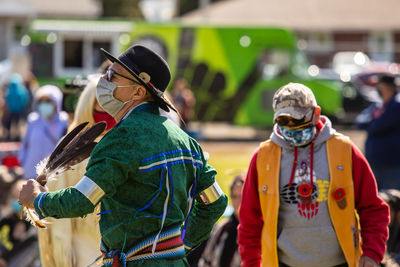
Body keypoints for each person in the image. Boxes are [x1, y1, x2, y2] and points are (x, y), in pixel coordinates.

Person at [18, 44, 227, 266]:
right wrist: (180, 246)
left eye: (113, 75)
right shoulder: (186, 141)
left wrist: (38, 200)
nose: (104, 81)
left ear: (138, 91)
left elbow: (81, 200)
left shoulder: (121, 139)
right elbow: (215, 202)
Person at [238, 83, 389, 267]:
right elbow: (249, 221)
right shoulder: (263, 157)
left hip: (340, 263)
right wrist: (251, 263)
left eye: (298, 119)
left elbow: (373, 209)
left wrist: (372, 253)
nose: (292, 127)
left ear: (316, 113)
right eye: (284, 121)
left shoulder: (344, 150)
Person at [37, 74, 116, 267]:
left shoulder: (125, 148)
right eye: (100, 104)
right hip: (81, 252)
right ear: (87, 105)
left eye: (112, 103)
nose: (107, 110)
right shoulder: (70, 150)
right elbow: (58, 216)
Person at [356, 74, 400, 190]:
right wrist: (371, 123)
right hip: (374, 160)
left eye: (380, 85)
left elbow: (378, 126)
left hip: (391, 162)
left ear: (386, 87)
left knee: (391, 198)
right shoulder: (377, 104)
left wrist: (370, 124)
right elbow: (360, 122)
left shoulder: (397, 105)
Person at [18, 85, 68, 179]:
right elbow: (25, 144)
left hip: (52, 175)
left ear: (56, 102)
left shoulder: (64, 121)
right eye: (41, 101)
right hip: (30, 173)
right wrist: (22, 161)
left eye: (48, 101)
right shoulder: (32, 119)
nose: (44, 104)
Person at [198, 173, 244, 267]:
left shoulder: (257, 231)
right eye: (235, 197)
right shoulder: (222, 228)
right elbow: (206, 261)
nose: (238, 202)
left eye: (242, 196)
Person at [2, 73, 29, 141]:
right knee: (17, 123)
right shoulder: (21, 91)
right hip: (18, 111)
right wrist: (22, 107)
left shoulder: (9, 92)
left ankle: (9, 136)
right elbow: (23, 100)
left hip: (11, 110)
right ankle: (17, 136)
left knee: (10, 123)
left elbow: (7, 100)